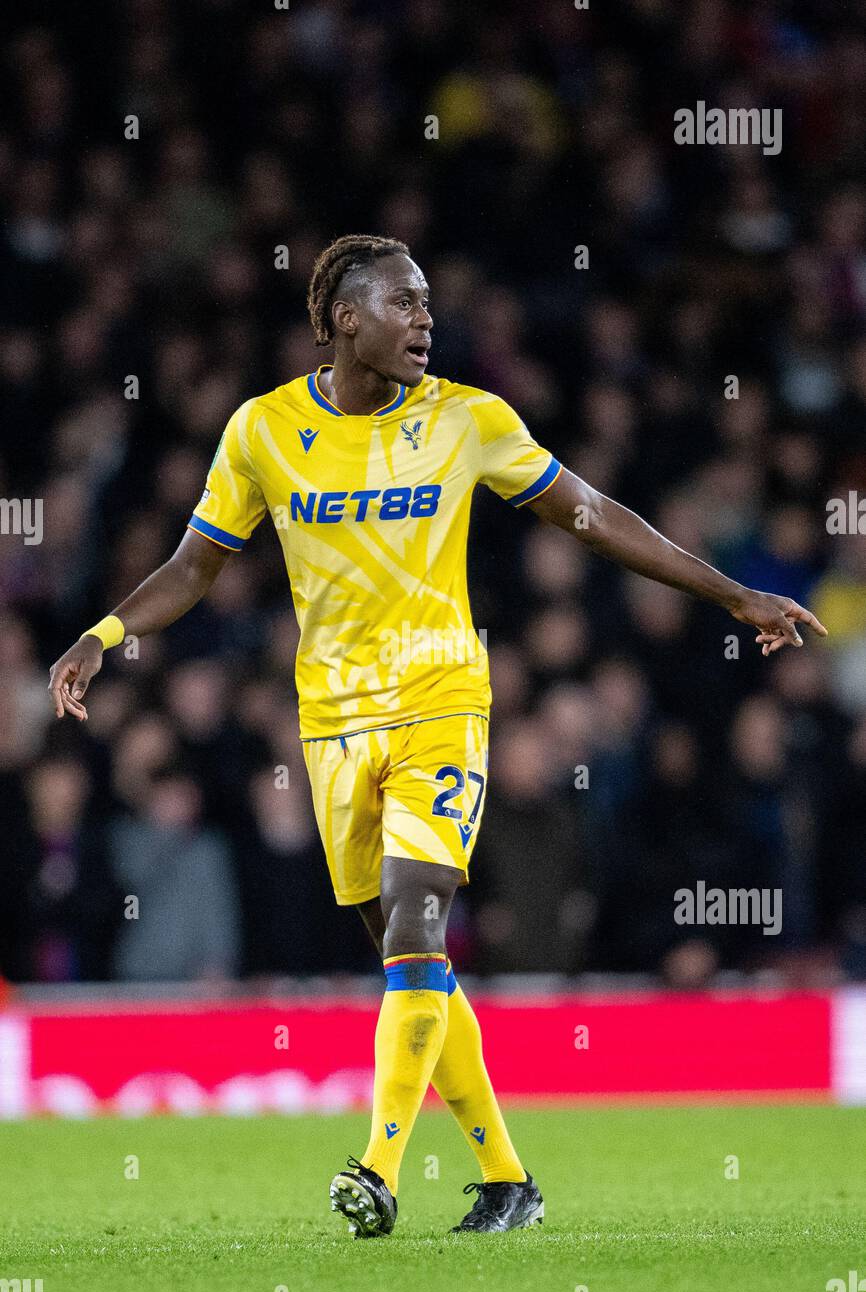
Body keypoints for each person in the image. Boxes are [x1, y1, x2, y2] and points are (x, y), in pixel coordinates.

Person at [48, 233, 827, 1238]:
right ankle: (507, 1181)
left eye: (427, 305)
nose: (425, 320)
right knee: (409, 965)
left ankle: (375, 1167)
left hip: (442, 705)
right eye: (403, 304)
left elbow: (588, 514)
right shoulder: (262, 431)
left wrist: (728, 592)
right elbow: (195, 565)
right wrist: (102, 633)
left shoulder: (466, 419)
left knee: (420, 925)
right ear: (343, 318)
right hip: (332, 724)